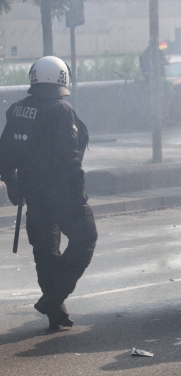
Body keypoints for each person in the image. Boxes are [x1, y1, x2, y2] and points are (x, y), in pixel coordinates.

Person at [0, 56, 97, 330]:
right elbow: (70, 161)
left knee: (45, 250)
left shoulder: (18, 110)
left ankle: (55, 311)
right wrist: (79, 199)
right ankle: (54, 297)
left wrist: (12, 183)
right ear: (62, 79)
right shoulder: (61, 110)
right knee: (86, 238)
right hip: (62, 194)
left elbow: (4, 155)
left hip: (33, 193)